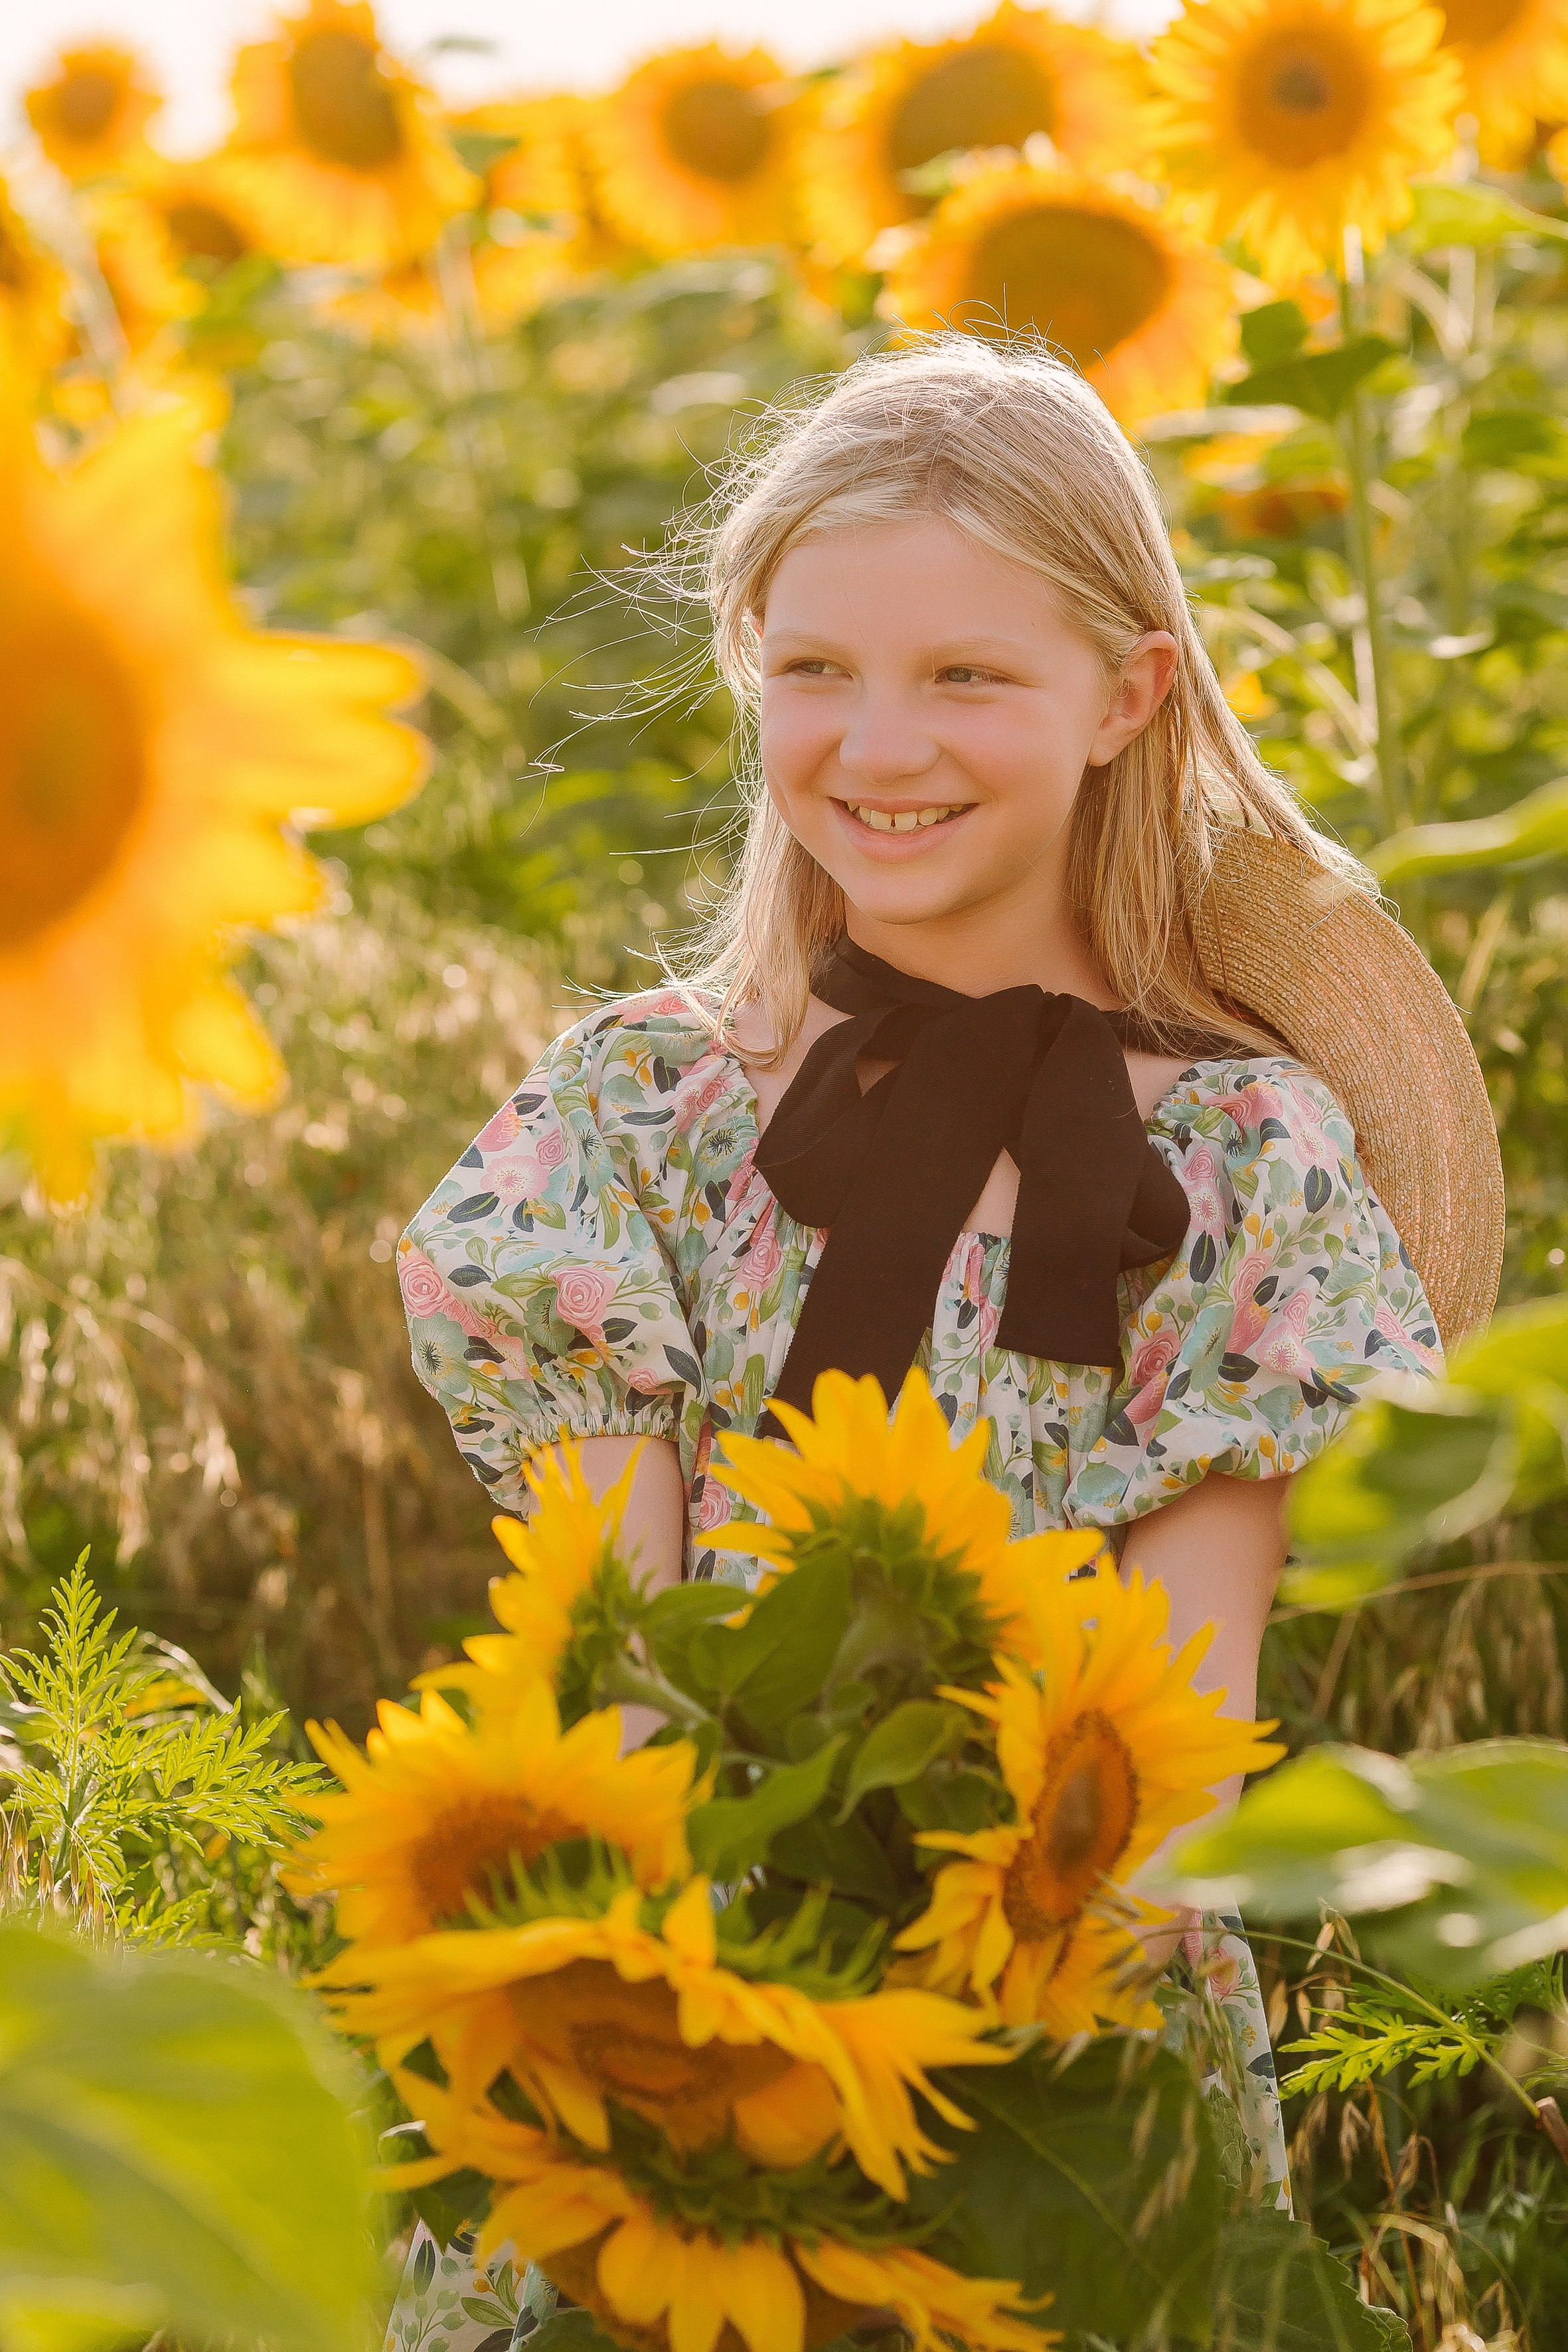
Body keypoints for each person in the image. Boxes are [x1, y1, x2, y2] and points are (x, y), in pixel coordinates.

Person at [388, 335, 1502, 2333]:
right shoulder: (637, 1116)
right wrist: (678, 2027)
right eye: (814, 669)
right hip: (675, 2018)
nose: (875, 746)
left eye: (963, 676)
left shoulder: (1243, 1155)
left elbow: (1168, 1751)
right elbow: (612, 1668)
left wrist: (954, 2056)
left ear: (1125, 692)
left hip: (1058, 2057)